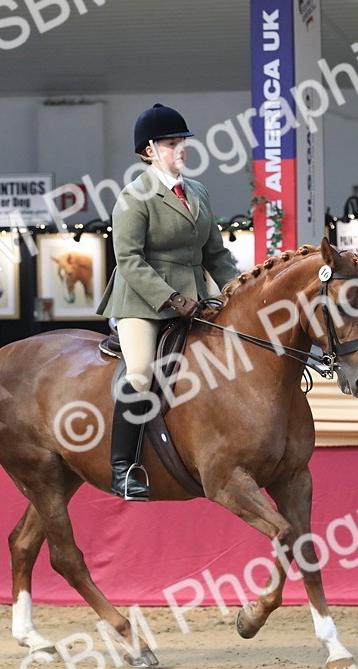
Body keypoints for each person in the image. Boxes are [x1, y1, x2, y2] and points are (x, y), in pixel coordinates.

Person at [96, 103, 241, 501]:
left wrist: (237, 288)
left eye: (183, 142)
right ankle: (123, 469)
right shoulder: (133, 196)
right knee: (141, 372)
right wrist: (171, 297)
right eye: (173, 143)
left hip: (196, 297)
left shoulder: (198, 192)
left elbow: (216, 254)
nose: (182, 149)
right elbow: (127, 260)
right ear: (149, 151)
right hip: (142, 301)